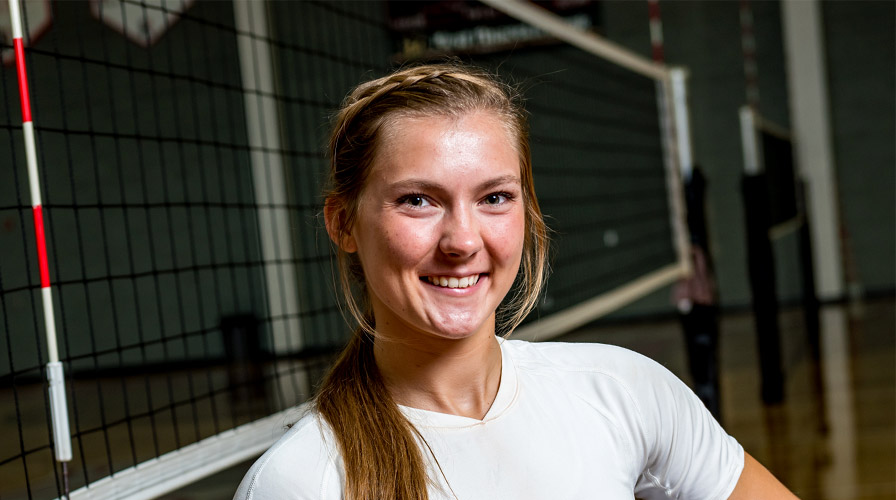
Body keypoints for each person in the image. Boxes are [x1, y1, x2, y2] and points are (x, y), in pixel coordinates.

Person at [233, 63, 797, 500]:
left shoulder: (622, 392)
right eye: (417, 200)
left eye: (494, 197)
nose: (462, 240)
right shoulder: (301, 480)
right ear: (343, 223)